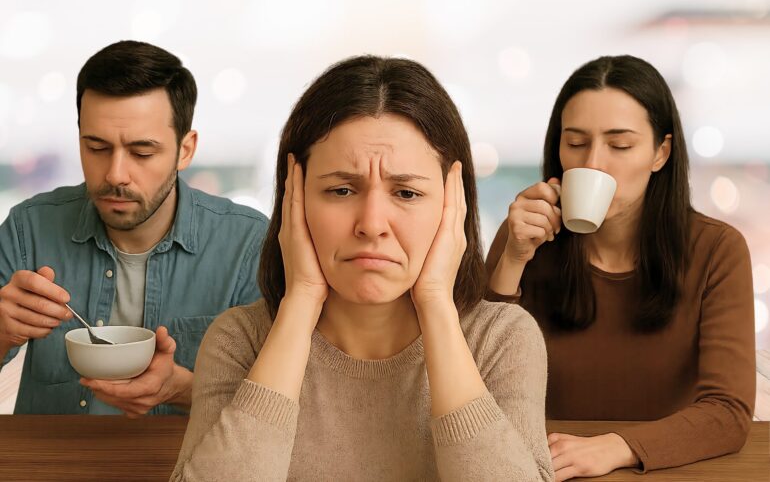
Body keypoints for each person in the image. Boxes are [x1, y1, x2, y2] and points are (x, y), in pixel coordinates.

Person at [171, 56, 554, 481]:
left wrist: (436, 305)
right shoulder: (238, 341)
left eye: (406, 193)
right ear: (292, 196)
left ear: (452, 205)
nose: (371, 224)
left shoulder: (502, 341)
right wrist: (300, 301)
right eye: (341, 189)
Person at [485, 55, 755, 480]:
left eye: (620, 145)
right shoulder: (524, 238)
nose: (593, 162)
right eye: (575, 143)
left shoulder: (717, 250)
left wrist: (620, 446)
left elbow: (728, 412)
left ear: (660, 153)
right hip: (546, 471)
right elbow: (473, 389)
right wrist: (513, 260)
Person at [0, 40, 268, 416]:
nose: (115, 174)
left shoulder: (247, 245)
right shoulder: (28, 229)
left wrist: (182, 388)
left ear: (185, 150)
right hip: (54, 461)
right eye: (96, 147)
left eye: (142, 153)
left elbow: (276, 403)